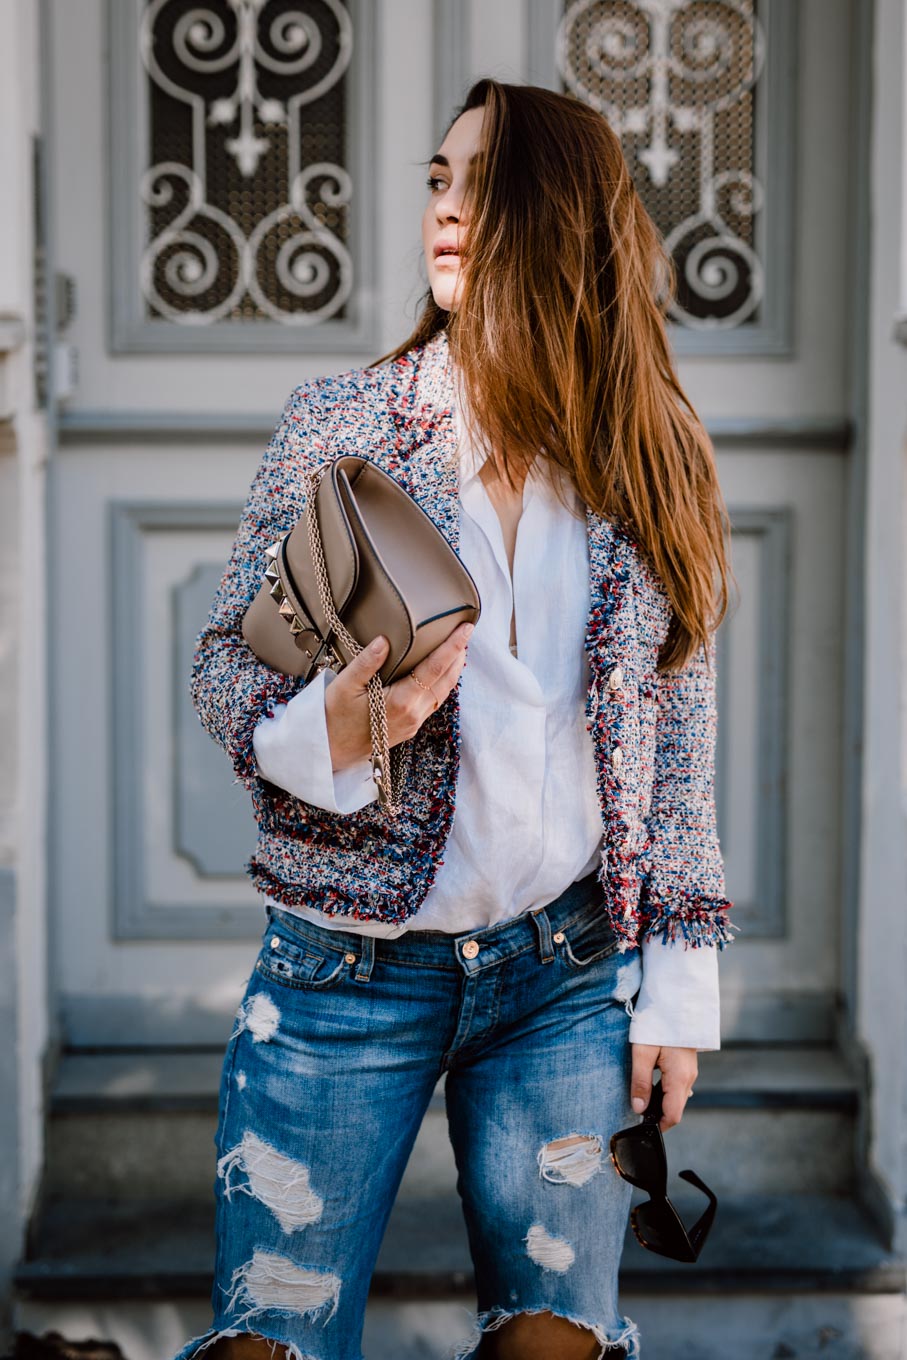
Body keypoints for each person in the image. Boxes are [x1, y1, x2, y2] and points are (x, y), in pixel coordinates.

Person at [173, 78, 735, 1360]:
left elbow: (679, 738)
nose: (445, 210)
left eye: (482, 185)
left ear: (562, 220)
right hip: (342, 977)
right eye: (437, 179)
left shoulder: (650, 451)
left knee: (555, 1340)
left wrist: (678, 988)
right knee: (273, 1342)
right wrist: (340, 725)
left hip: (566, 979)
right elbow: (221, 669)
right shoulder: (343, 427)